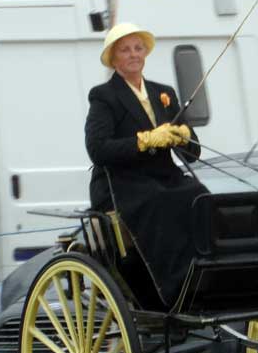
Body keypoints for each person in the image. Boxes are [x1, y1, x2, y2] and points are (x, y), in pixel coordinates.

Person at [85, 22, 206, 307]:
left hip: (165, 177)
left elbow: (193, 154)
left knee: (199, 195)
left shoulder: (164, 92)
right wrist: (145, 140)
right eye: (125, 50)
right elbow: (97, 149)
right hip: (122, 183)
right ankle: (170, 289)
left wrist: (183, 137)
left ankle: (202, 276)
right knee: (161, 201)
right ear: (114, 59)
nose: (133, 55)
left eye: (138, 48)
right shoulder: (104, 96)